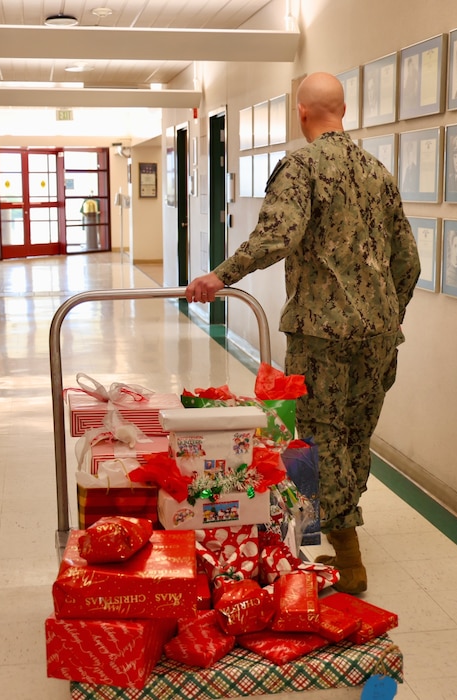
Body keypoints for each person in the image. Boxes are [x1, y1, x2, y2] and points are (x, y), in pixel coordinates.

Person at [185, 72, 421, 595]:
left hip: (322, 334)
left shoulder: (302, 165)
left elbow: (279, 235)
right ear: (344, 110)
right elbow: (409, 259)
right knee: (357, 431)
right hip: (380, 334)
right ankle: (340, 530)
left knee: (318, 434)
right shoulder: (379, 173)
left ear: (302, 112)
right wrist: (388, 315)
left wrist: (219, 276)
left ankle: (339, 547)